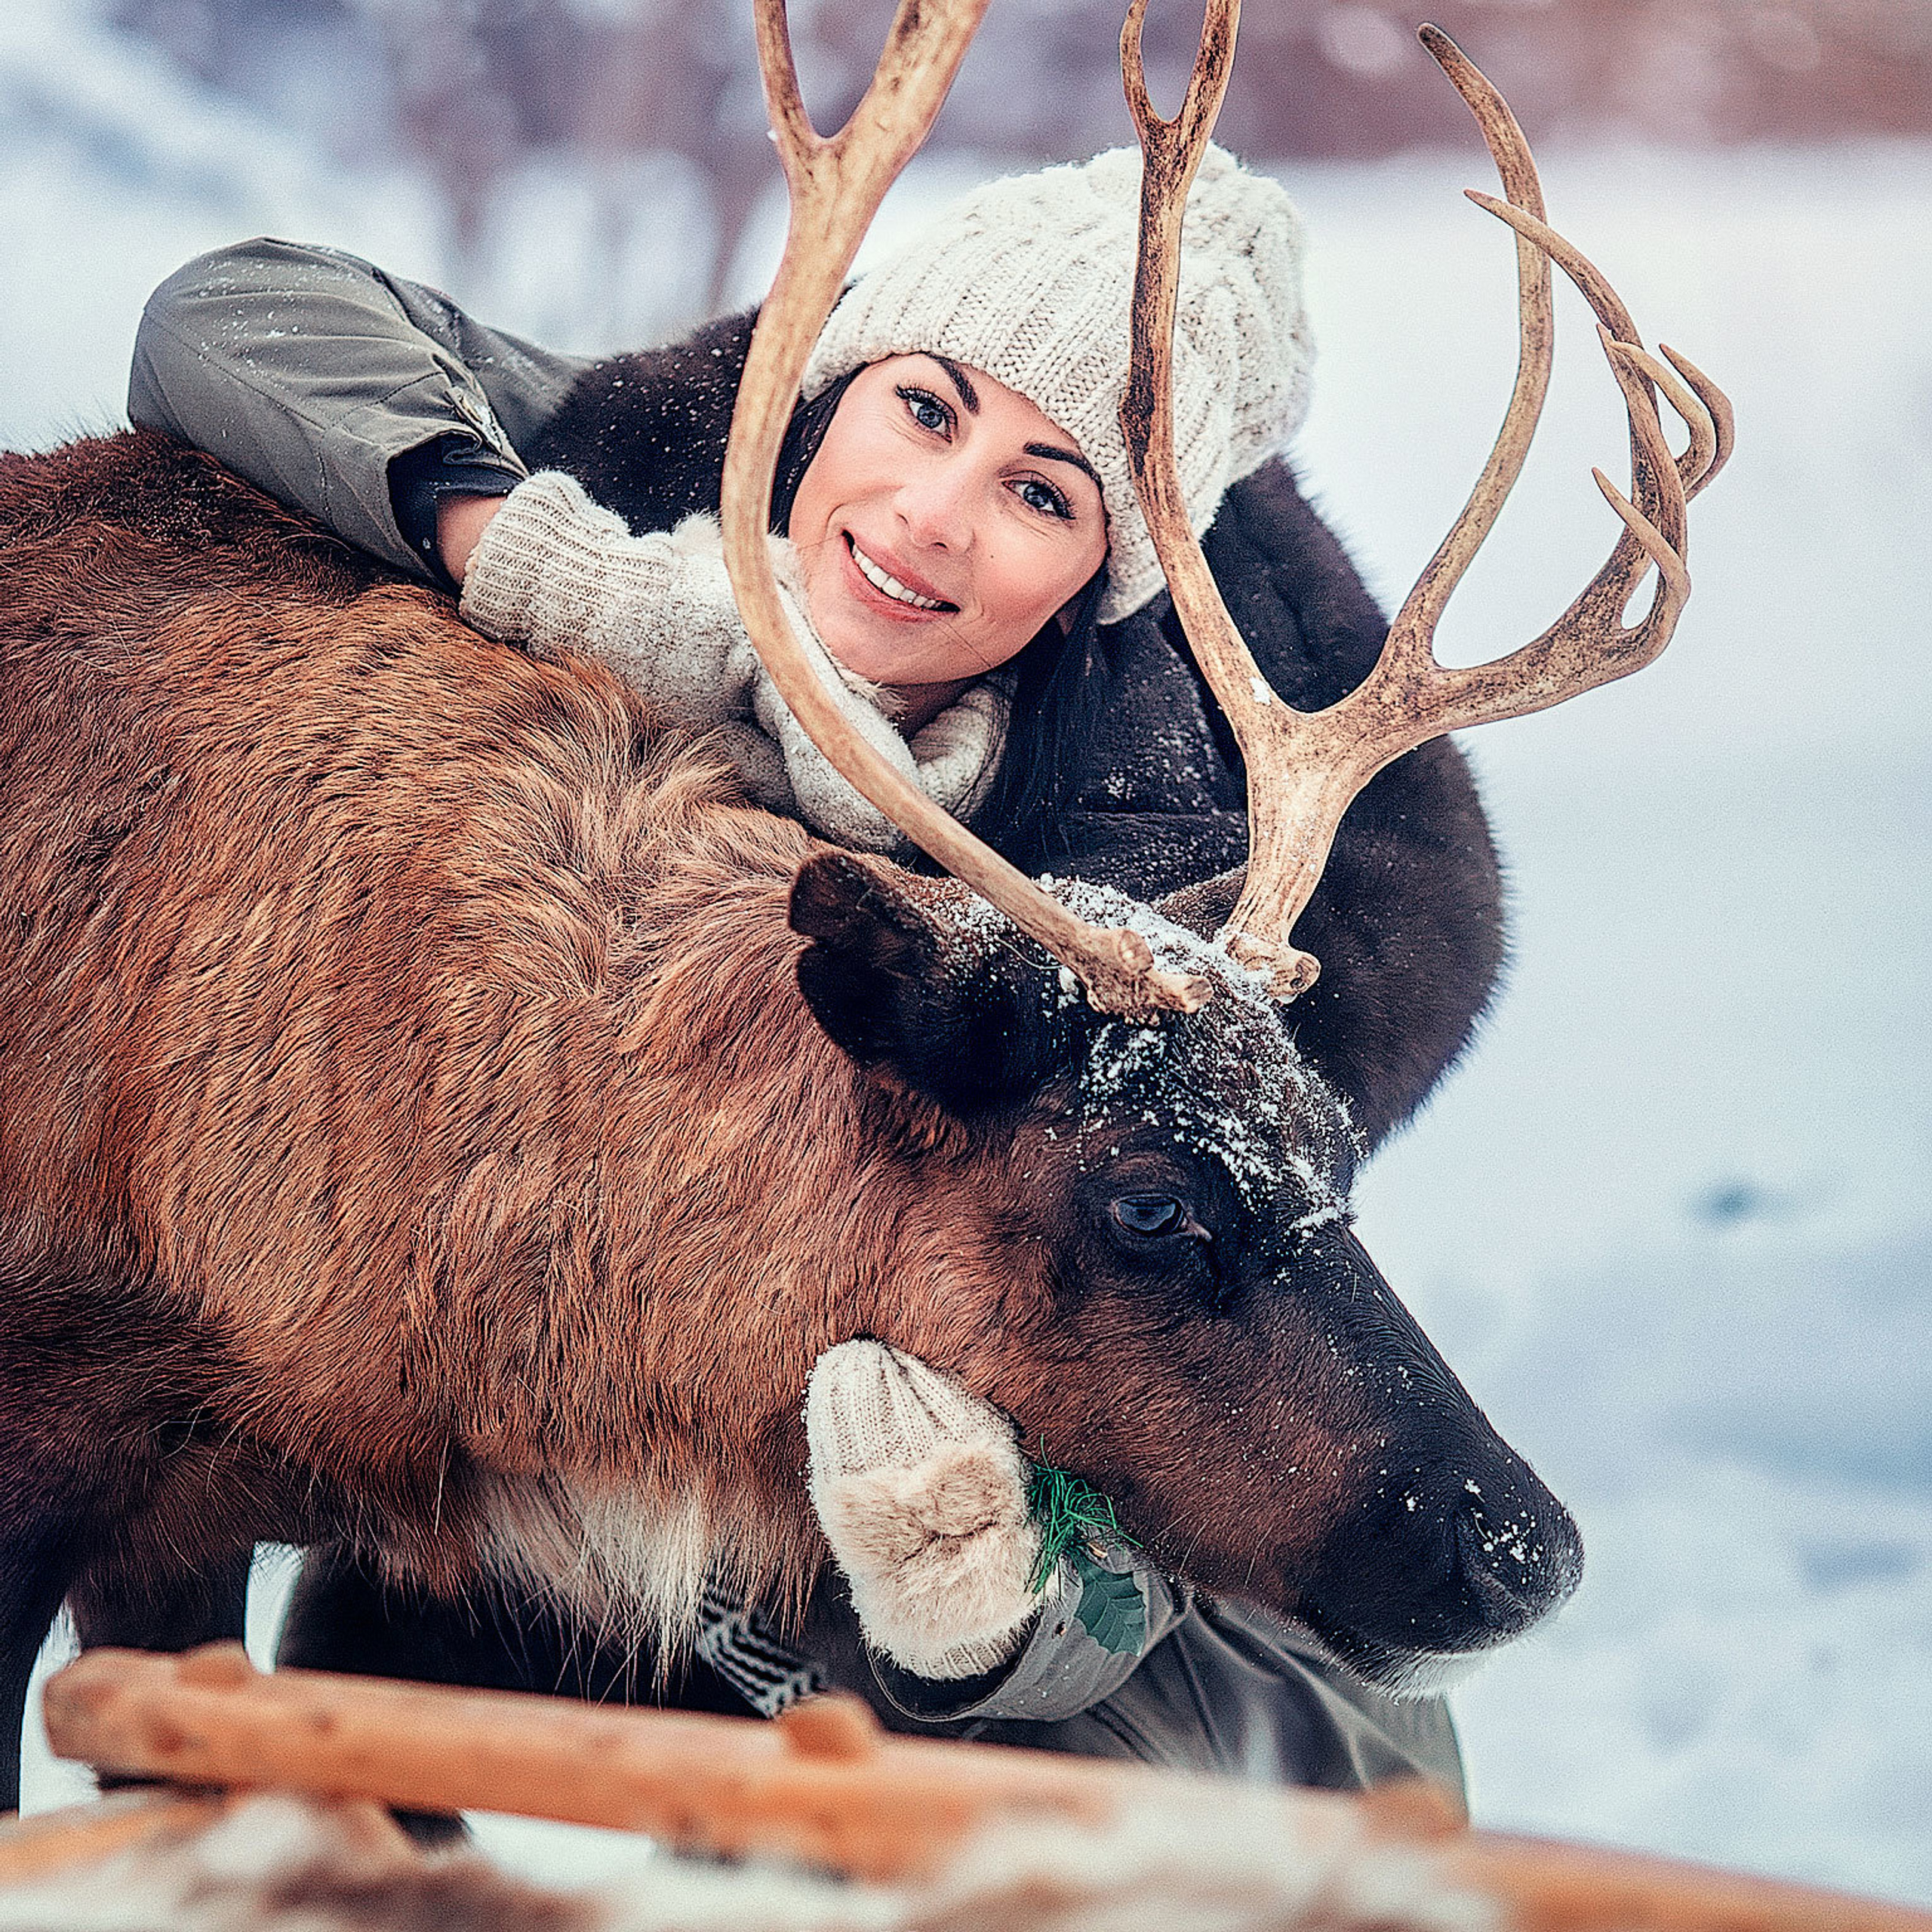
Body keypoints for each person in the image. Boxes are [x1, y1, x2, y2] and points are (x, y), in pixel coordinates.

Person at [128, 143, 1502, 1802]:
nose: (933, 513)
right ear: (832, 387)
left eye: (1043, 491)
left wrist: (1007, 1595)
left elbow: (1158, 1380)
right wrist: (524, 553)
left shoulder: (1131, 907)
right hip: (536, 1379)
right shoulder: (649, 486)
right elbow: (230, 318)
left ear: (1092, 594)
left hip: (864, 1492)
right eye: (926, 409)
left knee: (1181, 1762)